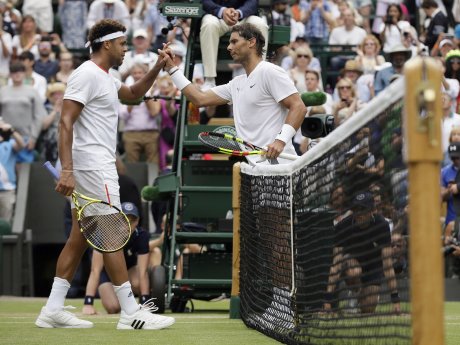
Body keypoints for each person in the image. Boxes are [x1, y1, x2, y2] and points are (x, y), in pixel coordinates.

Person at [35, 19, 175, 330]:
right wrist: (67, 169)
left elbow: (133, 93)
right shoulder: (86, 74)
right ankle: (130, 312)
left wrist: (156, 67)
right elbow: (65, 122)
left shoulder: (105, 77)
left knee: (79, 237)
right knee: (112, 231)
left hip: (93, 163)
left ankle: (53, 309)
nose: (126, 50)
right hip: (92, 164)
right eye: (123, 44)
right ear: (107, 44)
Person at [159, 23, 307, 164]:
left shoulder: (270, 71)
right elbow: (199, 99)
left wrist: (280, 141)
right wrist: (172, 69)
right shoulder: (236, 83)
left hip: (279, 166)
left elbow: (298, 107)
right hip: (253, 167)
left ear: (251, 42)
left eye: (234, 41)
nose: (229, 47)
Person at [324, 191, 401, 314]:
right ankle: (354, 292)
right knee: (354, 271)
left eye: (363, 209)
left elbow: (387, 265)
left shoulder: (382, 225)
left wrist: (395, 299)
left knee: (368, 309)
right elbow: (336, 264)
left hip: (373, 266)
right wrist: (327, 301)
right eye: (356, 209)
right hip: (351, 262)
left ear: (372, 211)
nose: (359, 214)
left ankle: (366, 295)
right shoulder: (343, 226)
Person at [82, 202, 151, 315]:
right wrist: (88, 303)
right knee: (113, 307)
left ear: (137, 221)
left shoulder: (142, 236)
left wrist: (145, 302)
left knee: (138, 281)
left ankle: (140, 302)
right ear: (116, 220)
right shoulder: (103, 235)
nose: (127, 225)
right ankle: (118, 298)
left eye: (132, 221)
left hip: (129, 272)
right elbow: (95, 271)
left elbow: (143, 272)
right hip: (107, 276)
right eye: (124, 220)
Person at [200, 0, 269, 90]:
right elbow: (205, 1)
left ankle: (259, 77)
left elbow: (253, 2)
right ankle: (209, 80)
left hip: (243, 17)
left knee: (260, 24)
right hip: (217, 16)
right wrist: (222, 11)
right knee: (209, 24)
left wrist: (239, 13)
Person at [0, 118, 24, 223]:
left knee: (5, 223)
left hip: (7, 191)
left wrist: (11, 130)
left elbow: (21, 144)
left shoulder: (9, 144)